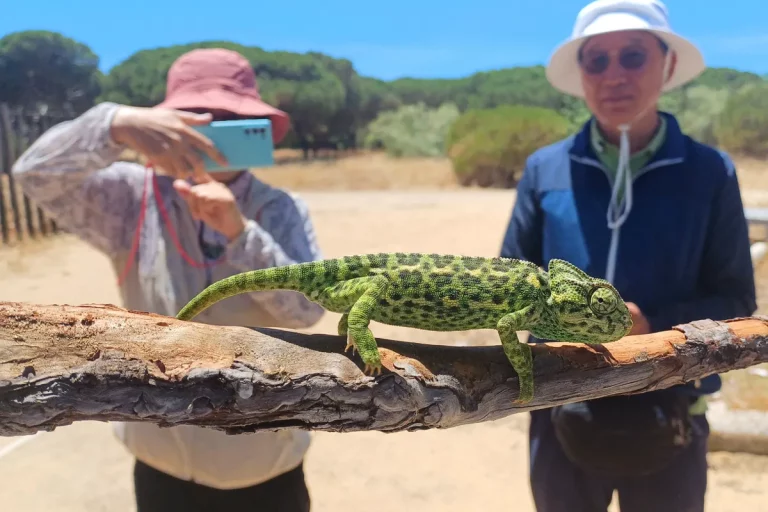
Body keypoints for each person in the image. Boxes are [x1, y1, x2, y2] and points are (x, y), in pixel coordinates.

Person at [12, 48, 325, 512]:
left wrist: (241, 234)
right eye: (197, 118)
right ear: (167, 124)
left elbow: (307, 312)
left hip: (266, 457)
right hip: (161, 455)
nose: (211, 131)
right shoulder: (130, 196)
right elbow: (34, 174)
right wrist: (112, 124)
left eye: (227, 118)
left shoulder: (280, 209)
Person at [500, 1, 757, 511]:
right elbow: (511, 278)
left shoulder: (710, 173)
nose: (613, 75)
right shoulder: (545, 169)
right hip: (560, 403)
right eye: (597, 60)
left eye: (633, 56)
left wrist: (653, 325)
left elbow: (735, 298)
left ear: (667, 65)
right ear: (582, 74)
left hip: (672, 402)